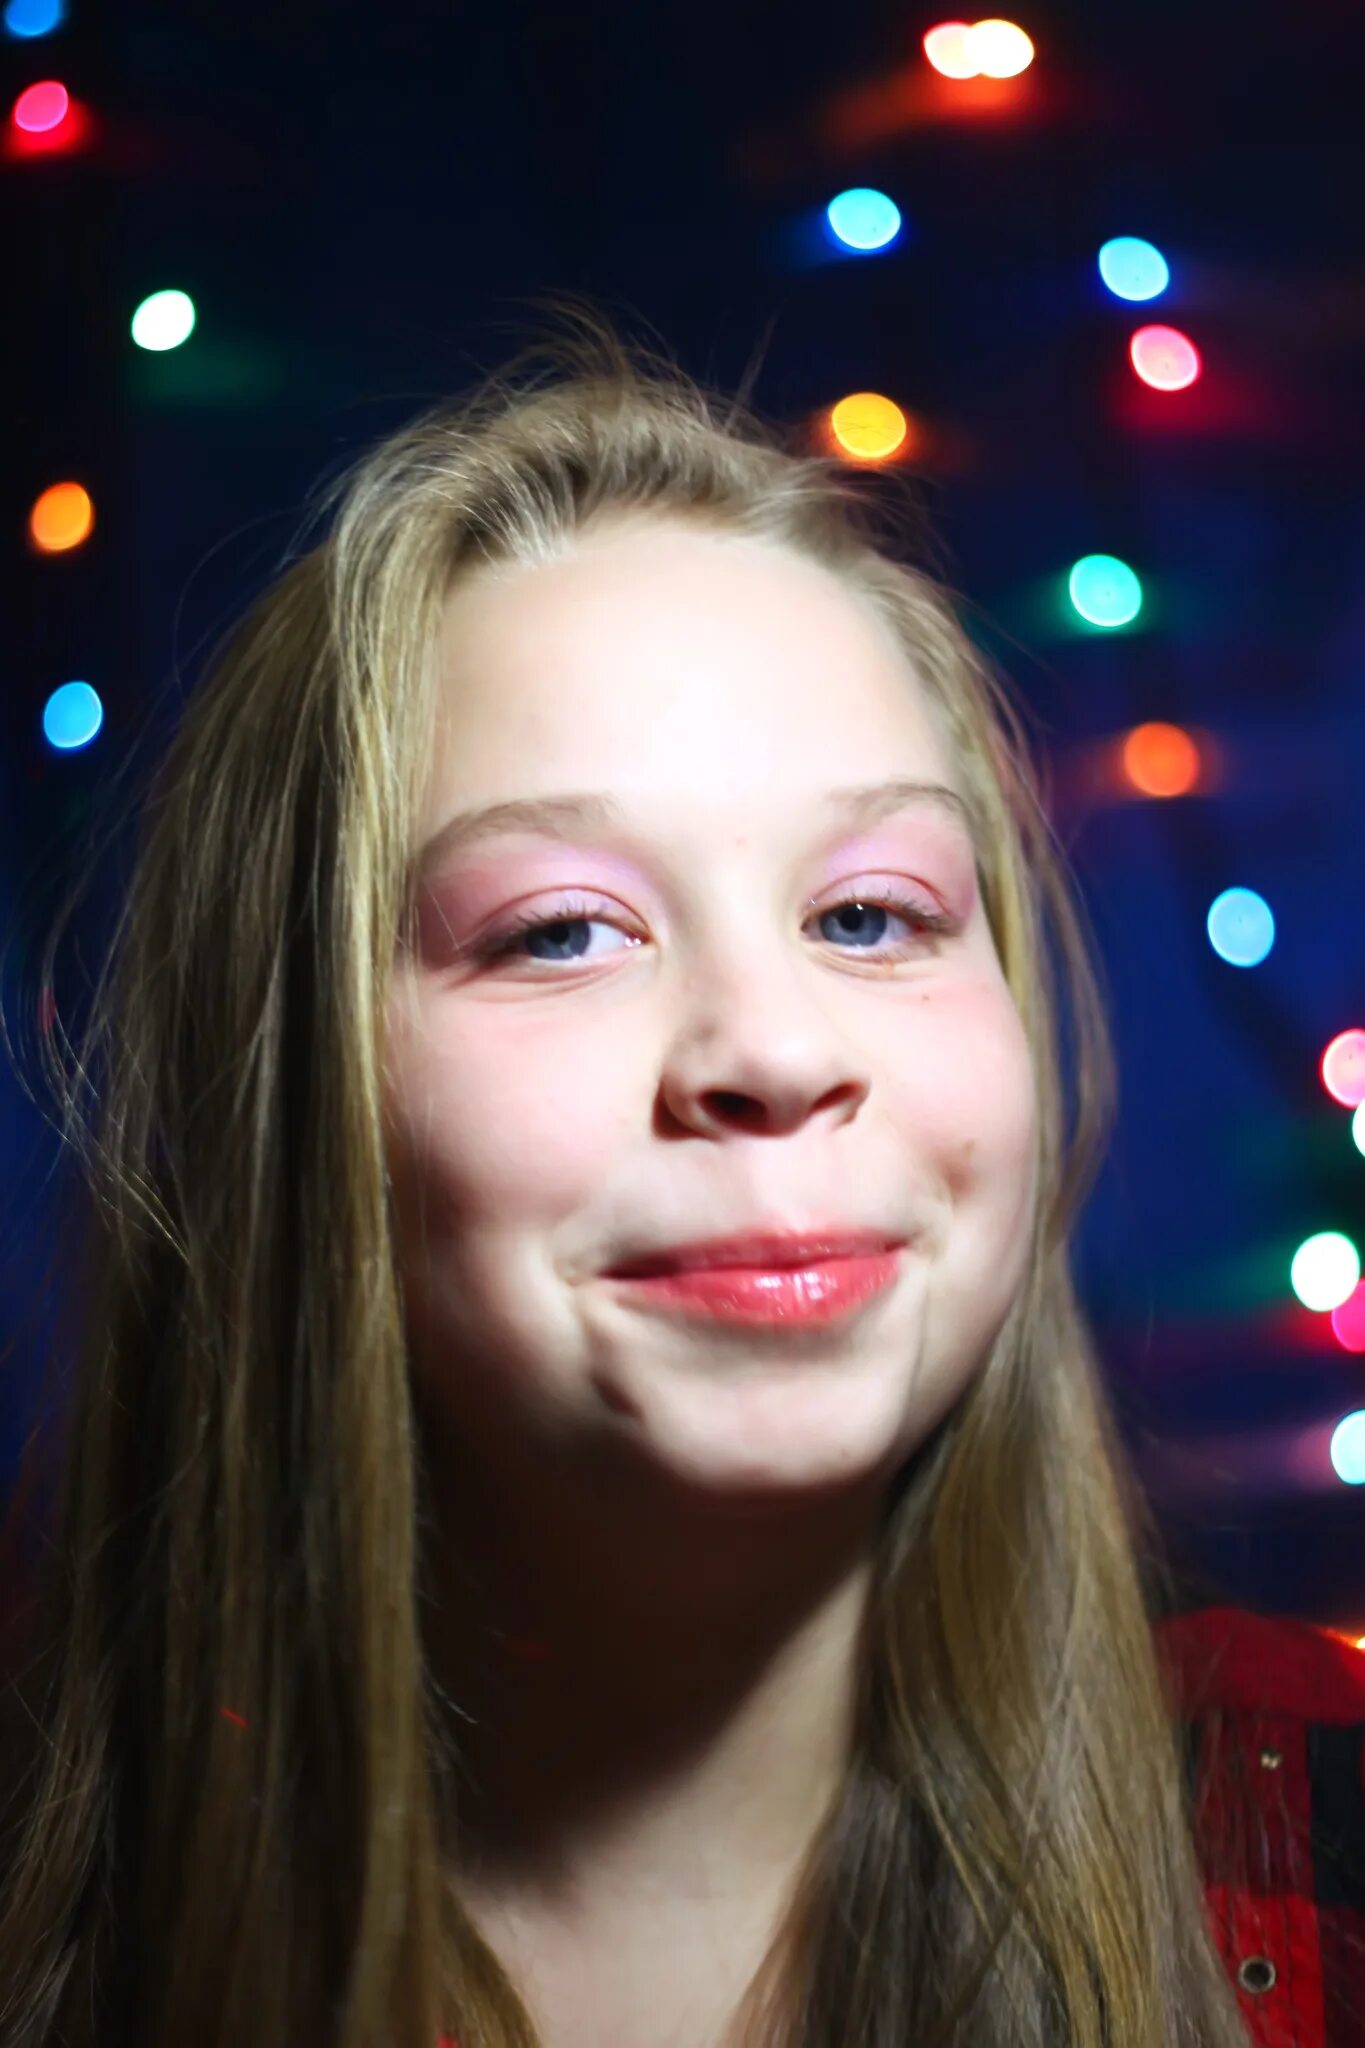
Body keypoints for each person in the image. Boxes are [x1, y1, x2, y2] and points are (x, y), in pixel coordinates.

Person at [0, 302, 1274, 2046]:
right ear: (291, 1104)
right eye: (560, 932)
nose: (772, 1048)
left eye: (867, 914)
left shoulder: (1318, 1843)